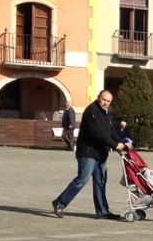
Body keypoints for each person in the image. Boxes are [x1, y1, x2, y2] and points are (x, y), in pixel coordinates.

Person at [52, 90, 128, 219]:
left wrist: (122, 141)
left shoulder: (109, 112)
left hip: (101, 152)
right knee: (83, 178)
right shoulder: (91, 111)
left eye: (108, 101)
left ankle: (103, 211)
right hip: (87, 152)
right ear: (98, 98)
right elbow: (98, 133)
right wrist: (115, 145)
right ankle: (59, 202)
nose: (106, 103)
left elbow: (111, 131)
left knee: (100, 181)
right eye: (104, 99)